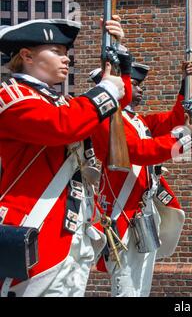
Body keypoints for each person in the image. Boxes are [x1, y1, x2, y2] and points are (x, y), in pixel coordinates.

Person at [0, 17, 131, 297]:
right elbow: (63, 125)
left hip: (72, 230)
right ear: (27, 55)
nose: (66, 59)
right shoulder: (12, 96)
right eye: (57, 52)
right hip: (36, 224)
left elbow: (112, 111)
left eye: (66, 53)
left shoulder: (61, 103)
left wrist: (119, 59)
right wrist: (105, 90)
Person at [89, 60, 192, 296]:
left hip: (143, 210)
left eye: (140, 85)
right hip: (121, 213)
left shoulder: (138, 120)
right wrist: (183, 140)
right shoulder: (107, 121)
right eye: (133, 83)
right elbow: (139, 152)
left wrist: (188, 84)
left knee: (142, 286)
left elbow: (175, 120)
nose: (139, 89)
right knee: (126, 285)